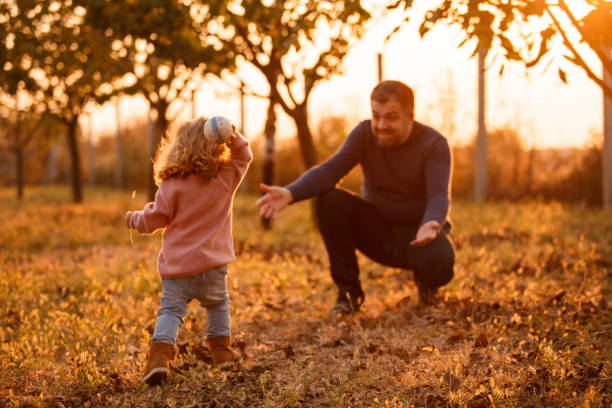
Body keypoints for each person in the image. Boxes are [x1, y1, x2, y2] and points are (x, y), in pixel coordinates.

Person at [256, 80, 454, 317]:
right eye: (376, 116)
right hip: (377, 230)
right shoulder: (363, 134)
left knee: (441, 260)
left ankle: (427, 283)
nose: (381, 125)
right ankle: (349, 294)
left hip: (418, 234)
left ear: (410, 117)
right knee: (330, 200)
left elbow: (438, 195)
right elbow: (331, 170)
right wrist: (291, 192)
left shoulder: (434, 144)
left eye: (391, 117)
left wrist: (432, 223)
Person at [125, 116, 252, 385]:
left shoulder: (172, 185)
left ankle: (159, 358)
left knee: (170, 311)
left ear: (179, 147)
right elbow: (244, 156)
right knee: (218, 305)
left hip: (179, 269)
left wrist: (134, 219)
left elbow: (154, 219)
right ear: (217, 146)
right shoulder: (225, 178)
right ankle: (222, 353)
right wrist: (233, 135)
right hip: (214, 268)